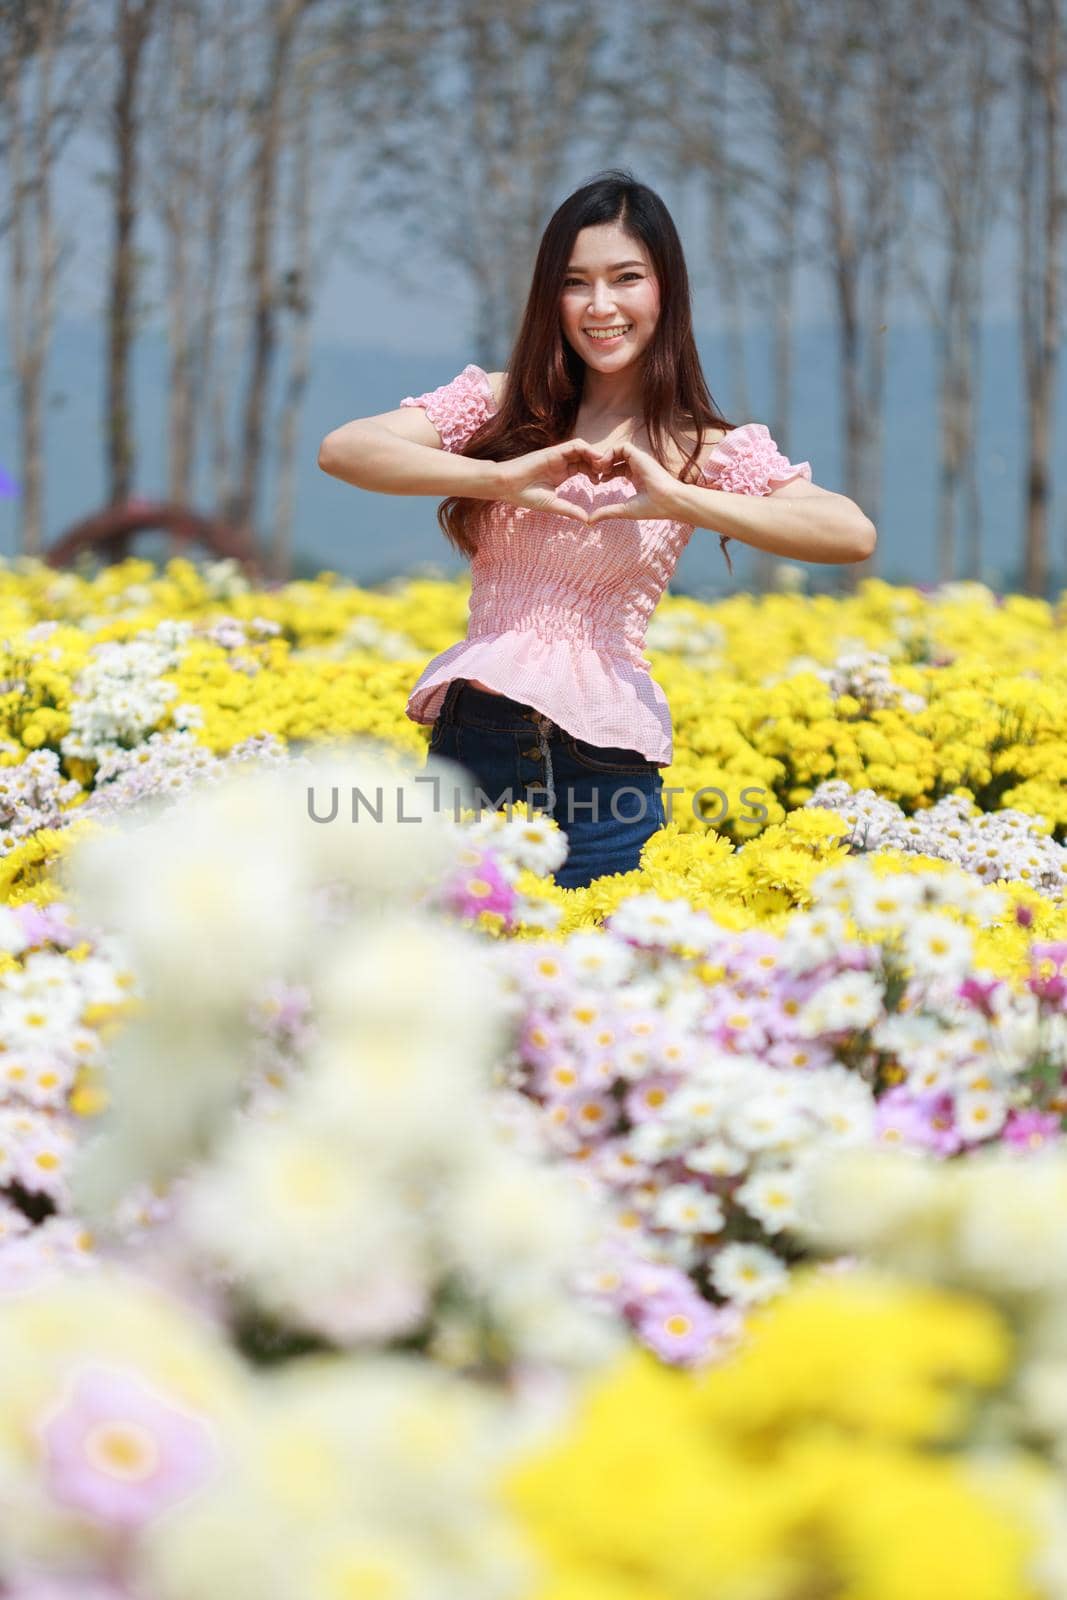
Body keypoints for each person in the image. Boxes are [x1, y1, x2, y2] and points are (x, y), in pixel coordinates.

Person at [318, 168, 876, 890]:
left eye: (625, 278)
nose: (600, 305)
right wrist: (499, 477)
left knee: (609, 978)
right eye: (575, 282)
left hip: (604, 768)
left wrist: (677, 498)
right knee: (472, 980)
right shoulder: (499, 404)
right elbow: (345, 450)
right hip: (475, 744)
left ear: (664, 290)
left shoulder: (697, 446)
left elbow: (848, 533)